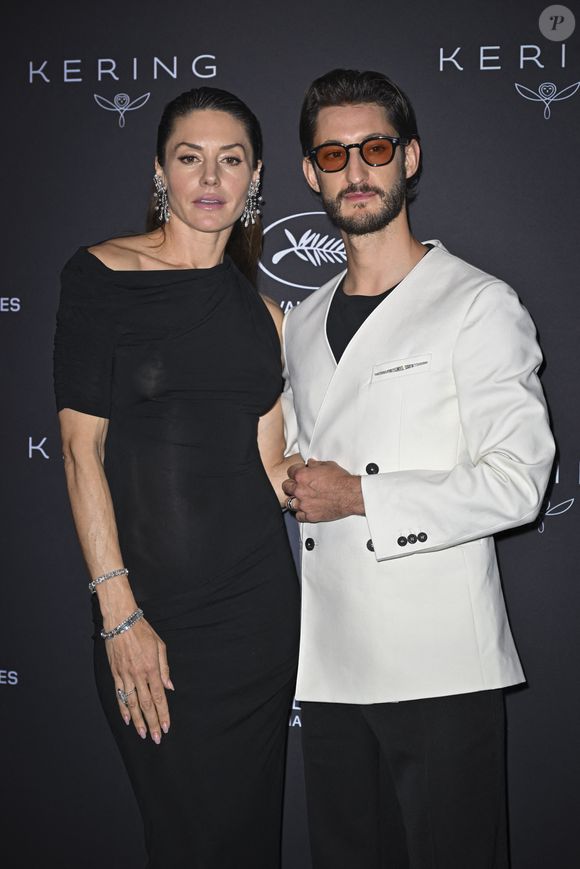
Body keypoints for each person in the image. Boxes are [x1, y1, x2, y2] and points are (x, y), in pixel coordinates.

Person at [281, 69, 555, 869]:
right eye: (334, 155)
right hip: (330, 667)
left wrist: (360, 495)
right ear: (311, 173)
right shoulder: (301, 318)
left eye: (374, 149)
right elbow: (292, 458)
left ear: (409, 157)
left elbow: (518, 480)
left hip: (439, 664)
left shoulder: (476, 303)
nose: (355, 170)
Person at [53, 86, 300, 869]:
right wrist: (119, 612)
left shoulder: (266, 317)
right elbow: (80, 452)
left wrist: (371, 477)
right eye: (190, 158)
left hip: (256, 621)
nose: (211, 177)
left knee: (245, 841)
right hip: (151, 616)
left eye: (231, 160)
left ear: (255, 176)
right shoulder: (102, 275)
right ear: (160, 171)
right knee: (189, 836)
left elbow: (272, 469)